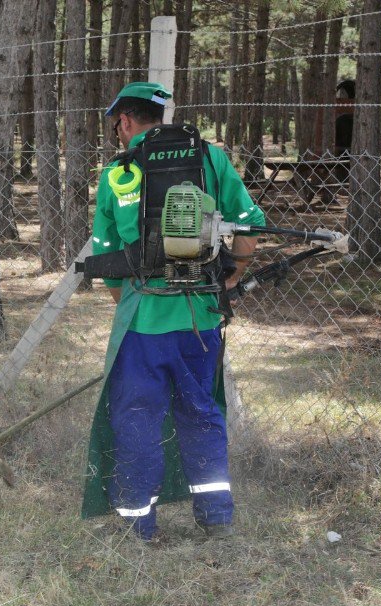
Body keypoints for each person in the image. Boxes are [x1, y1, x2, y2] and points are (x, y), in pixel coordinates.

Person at [82, 82, 266, 540]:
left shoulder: (117, 174)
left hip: (143, 320)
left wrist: (128, 305)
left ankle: (139, 525)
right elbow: (248, 224)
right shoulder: (210, 157)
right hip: (200, 318)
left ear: (125, 121)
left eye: (116, 126)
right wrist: (232, 276)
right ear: (160, 116)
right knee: (201, 412)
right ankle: (216, 516)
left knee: (137, 417)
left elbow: (108, 260)